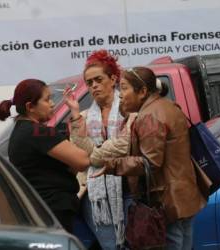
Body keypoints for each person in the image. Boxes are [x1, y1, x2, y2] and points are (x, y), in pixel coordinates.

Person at [91, 67, 207, 250]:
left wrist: (113, 165)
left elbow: (150, 162)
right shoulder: (168, 106)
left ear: (143, 91)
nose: (120, 95)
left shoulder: (149, 116)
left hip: (166, 199)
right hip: (183, 194)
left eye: (124, 88)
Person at [0, 79, 90, 233]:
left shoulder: (21, 130)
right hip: (53, 211)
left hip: (41, 210)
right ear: (30, 107)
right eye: (47, 100)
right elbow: (82, 161)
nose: (52, 104)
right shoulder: (38, 133)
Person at [68, 49, 125, 249]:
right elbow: (80, 151)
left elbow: (123, 146)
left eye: (98, 80)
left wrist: (94, 156)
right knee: (110, 246)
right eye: (90, 82)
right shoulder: (84, 115)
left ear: (113, 78)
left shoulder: (128, 108)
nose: (94, 86)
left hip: (128, 188)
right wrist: (75, 114)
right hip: (95, 195)